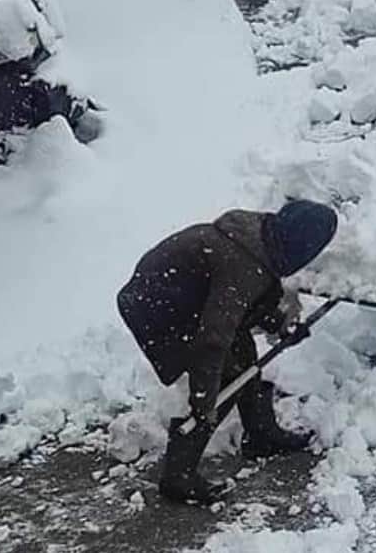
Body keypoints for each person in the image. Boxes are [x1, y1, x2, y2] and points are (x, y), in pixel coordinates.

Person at [117, 201, 338, 503]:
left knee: (243, 353)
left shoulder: (259, 239)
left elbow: (242, 301)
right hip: (157, 309)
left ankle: (260, 434)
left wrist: (278, 325)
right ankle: (178, 476)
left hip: (179, 299)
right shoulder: (243, 264)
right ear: (302, 247)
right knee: (227, 376)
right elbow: (213, 338)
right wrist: (203, 399)